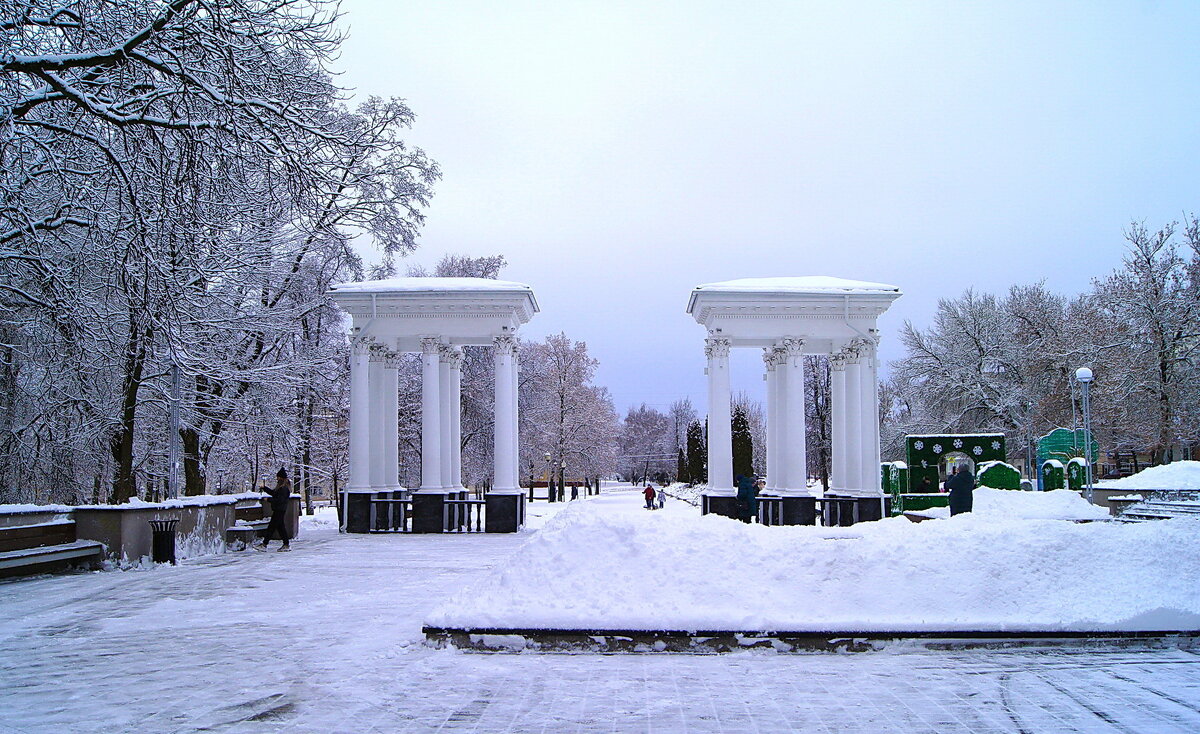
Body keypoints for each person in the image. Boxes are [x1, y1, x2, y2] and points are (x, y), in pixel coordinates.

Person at [256, 468, 292, 551]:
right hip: (280, 510)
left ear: (281, 478)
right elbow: (274, 493)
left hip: (279, 510)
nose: (276, 479)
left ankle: (264, 544)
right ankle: (286, 544)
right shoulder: (282, 487)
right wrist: (264, 488)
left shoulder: (283, 488)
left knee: (271, 527)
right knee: (280, 527)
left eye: (278, 477)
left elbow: (279, 500)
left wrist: (268, 500)